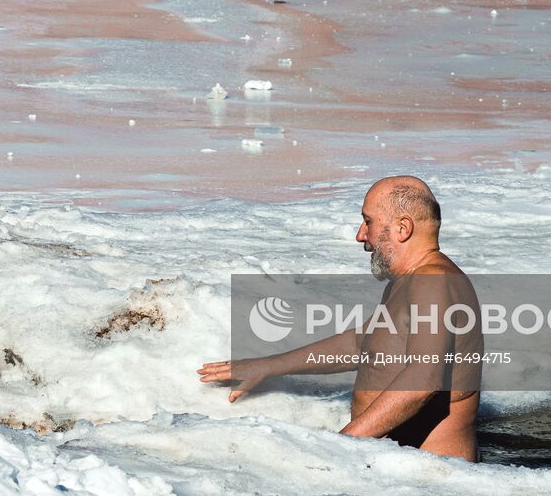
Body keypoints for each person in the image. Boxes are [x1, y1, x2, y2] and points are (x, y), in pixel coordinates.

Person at [198, 176, 482, 460]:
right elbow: (361, 344)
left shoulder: (433, 281)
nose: (361, 235)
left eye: (368, 222)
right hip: (400, 469)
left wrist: (339, 447)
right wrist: (268, 365)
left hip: (434, 479)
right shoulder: (411, 281)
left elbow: (423, 378)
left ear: (403, 228)